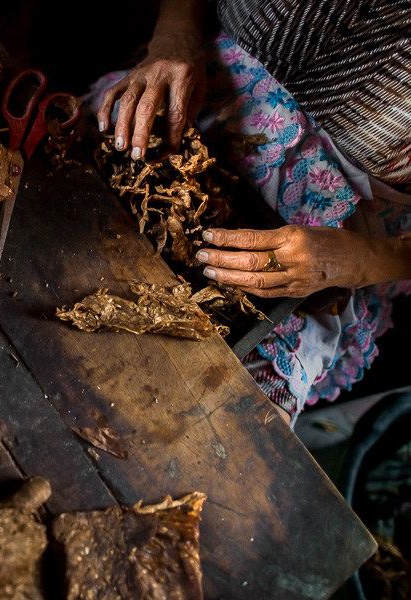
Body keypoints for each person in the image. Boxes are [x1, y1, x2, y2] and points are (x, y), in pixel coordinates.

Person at [85, 0, 411, 426]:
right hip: (198, 93)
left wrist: (360, 261)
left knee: (221, 421)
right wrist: (175, 33)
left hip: (330, 228)